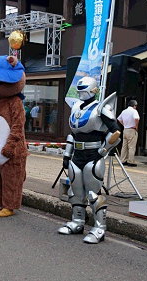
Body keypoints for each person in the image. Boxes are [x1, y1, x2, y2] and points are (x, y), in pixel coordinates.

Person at [58, 77, 121, 244]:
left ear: (93, 90)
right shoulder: (76, 107)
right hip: (77, 154)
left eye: (84, 91)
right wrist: (66, 155)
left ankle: (100, 227)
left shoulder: (102, 107)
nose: (81, 94)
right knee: (75, 192)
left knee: (93, 193)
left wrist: (102, 151)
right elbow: (73, 134)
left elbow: (116, 133)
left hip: (93, 154)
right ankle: (77, 221)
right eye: (79, 91)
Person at [117, 99, 139, 167]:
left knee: (124, 146)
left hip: (125, 129)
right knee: (131, 147)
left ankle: (122, 160)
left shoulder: (124, 111)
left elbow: (119, 119)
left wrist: (124, 124)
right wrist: (136, 126)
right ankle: (131, 161)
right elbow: (136, 118)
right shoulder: (134, 111)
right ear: (134, 105)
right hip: (132, 130)